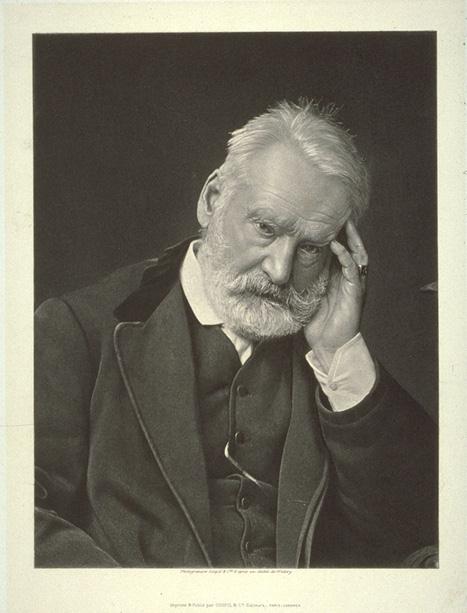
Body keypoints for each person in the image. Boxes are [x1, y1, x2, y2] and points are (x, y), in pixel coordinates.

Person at [34, 99, 437, 568]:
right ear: (212, 200)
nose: (281, 271)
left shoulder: (326, 347)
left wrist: (339, 351)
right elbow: (20, 516)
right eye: (266, 227)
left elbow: (413, 528)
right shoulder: (78, 329)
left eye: (310, 247)